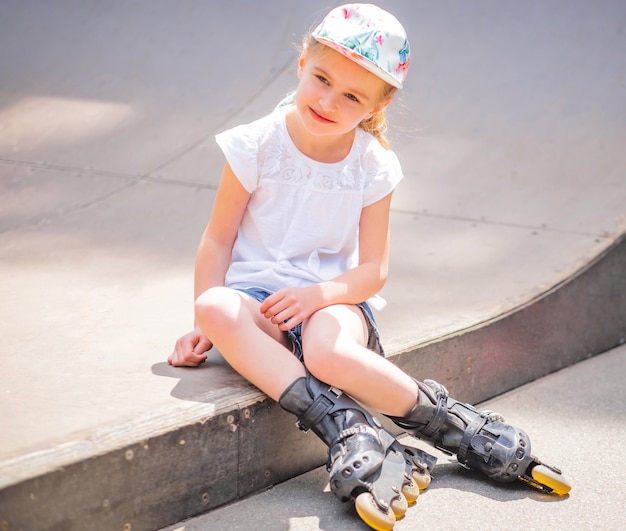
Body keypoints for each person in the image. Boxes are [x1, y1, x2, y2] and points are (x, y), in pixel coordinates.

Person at [169, 4, 570, 529]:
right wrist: (202, 326)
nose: (328, 100)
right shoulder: (255, 146)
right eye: (321, 79)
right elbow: (217, 238)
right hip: (259, 306)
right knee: (215, 305)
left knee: (327, 349)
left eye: (352, 95)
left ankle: (453, 428)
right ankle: (350, 428)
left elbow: (373, 271)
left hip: (333, 302)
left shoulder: (372, 164)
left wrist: (319, 296)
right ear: (301, 66)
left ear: (379, 103)